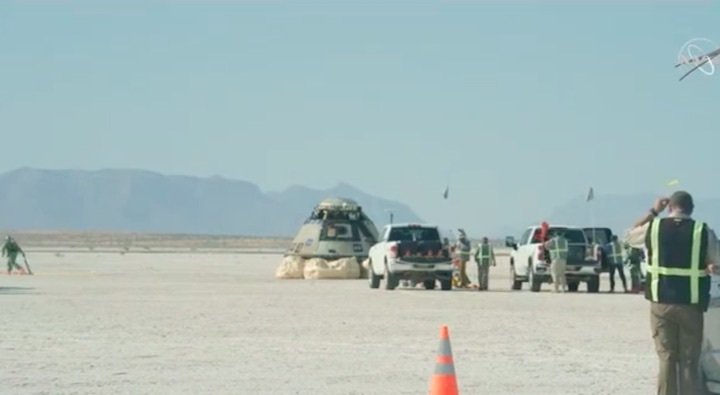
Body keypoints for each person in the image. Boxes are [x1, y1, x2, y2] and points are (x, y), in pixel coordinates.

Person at [623, 191, 719, 395]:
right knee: (689, 360)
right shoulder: (702, 231)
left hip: (661, 303)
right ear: (691, 209)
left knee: (666, 357)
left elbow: (629, 237)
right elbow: (716, 262)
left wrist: (653, 211)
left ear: (669, 207)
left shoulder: (655, 227)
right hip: (691, 303)